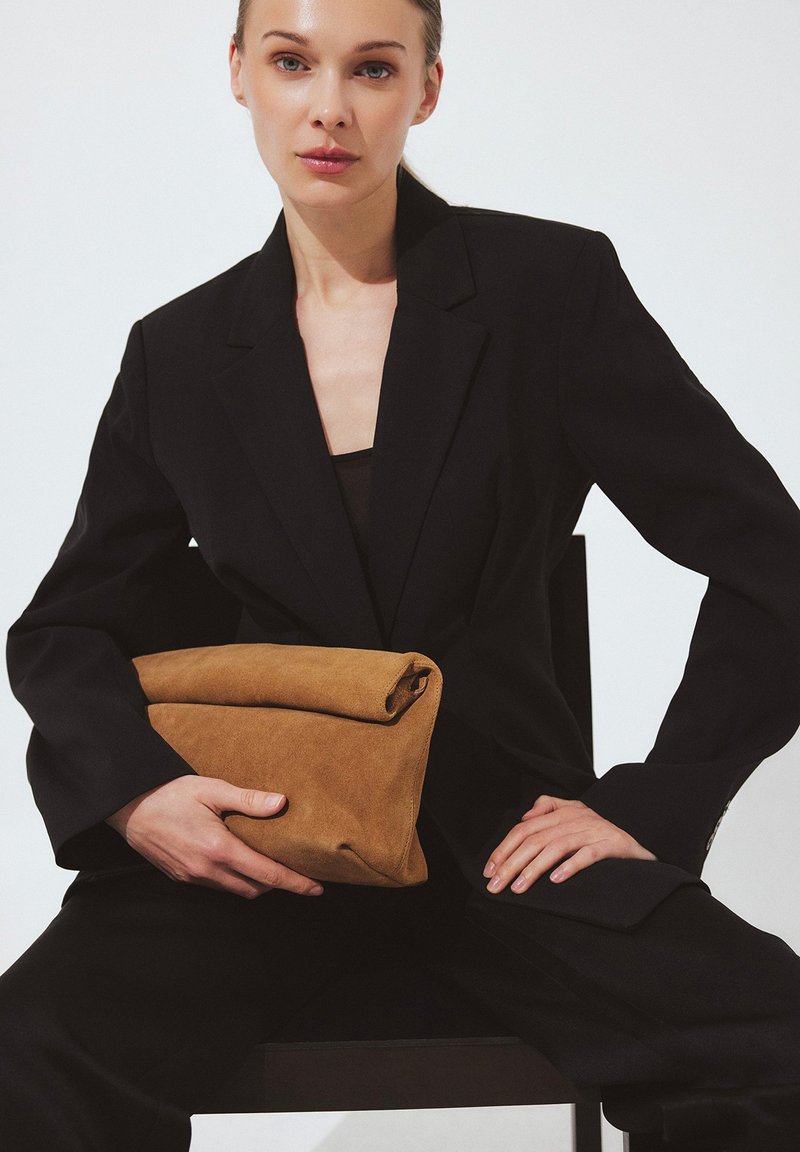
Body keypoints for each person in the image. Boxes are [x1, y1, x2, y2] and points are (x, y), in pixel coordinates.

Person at [3, 0, 800, 1148]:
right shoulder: (175, 353)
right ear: (240, 74)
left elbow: (765, 554)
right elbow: (63, 625)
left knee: (773, 1041)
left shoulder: (546, 289)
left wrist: (655, 800)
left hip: (501, 837)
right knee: (28, 1053)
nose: (328, 106)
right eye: (291, 62)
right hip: (263, 839)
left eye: (372, 68)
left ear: (424, 88)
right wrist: (134, 791)